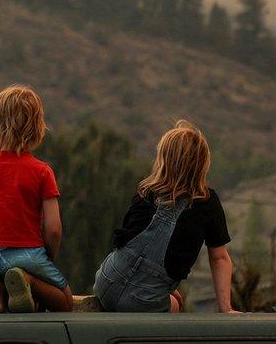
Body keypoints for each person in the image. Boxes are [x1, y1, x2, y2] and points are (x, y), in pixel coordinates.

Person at [94, 120, 238, 314]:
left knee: (166, 295)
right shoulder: (206, 202)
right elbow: (219, 258)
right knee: (176, 305)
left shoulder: (145, 192)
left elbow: (129, 247)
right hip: (143, 303)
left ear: (163, 159)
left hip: (106, 283)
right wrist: (226, 308)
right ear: (202, 163)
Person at [0, 85, 73, 313]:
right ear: (37, 127)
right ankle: (28, 282)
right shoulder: (42, 171)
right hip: (28, 254)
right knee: (65, 301)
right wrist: (47, 256)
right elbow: (53, 229)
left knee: (4, 275)